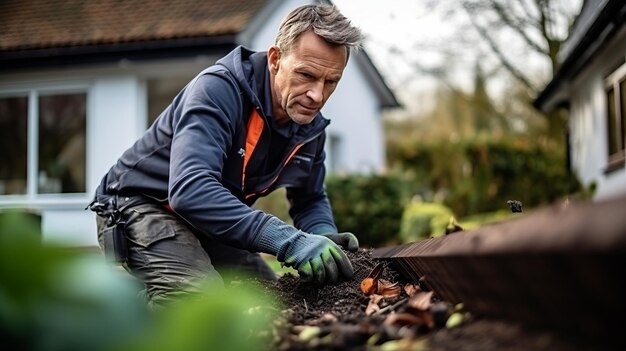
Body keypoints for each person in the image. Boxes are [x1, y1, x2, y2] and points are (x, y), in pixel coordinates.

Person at [88, 4, 363, 308]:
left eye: (331, 81)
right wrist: (289, 240)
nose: (317, 95)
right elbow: (190, 190)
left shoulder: (308, 123)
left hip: (204, 220)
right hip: (140, 203)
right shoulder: (219, 90)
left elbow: (309, 198)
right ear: (275, 60)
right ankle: (110, 318)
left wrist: (323, 234)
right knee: (200, 302)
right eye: (306, 75)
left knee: (269, 300)